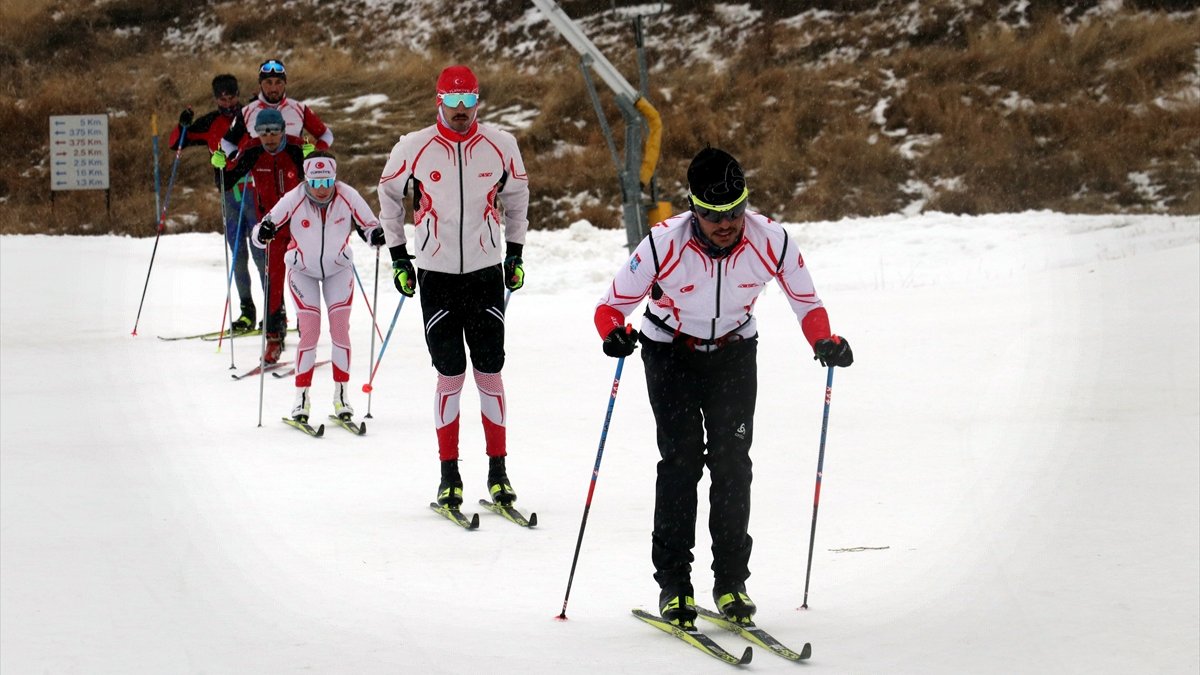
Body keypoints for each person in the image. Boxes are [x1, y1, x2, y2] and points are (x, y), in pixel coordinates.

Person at [594, 147, 854, 629]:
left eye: (736, 210)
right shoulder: (661, 244)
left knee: (733, 463)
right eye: (714, 214)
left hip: (734, 351)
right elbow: (610, 307)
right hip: (669, 349)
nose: (727, 223)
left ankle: (732, 582)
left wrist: (824, 340)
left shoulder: (771, 239)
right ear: (693, 207)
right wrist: (613, 334)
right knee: (682, 459)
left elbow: (806, 300)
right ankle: (674, 586)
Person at [378, 65, 530, 510]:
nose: (461, 111)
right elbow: (389, 197)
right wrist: (399, 256)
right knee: (450, 373)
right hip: (436, 275)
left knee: (489, 371)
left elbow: (518, 198)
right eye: (453, 102)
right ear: (438, 100)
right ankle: (449, 476)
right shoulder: (414, 146)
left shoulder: (501, 145)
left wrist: (516, 253)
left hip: (485, 272)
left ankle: (498, 472)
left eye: (469, 102)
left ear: (478, 101)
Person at [250, 151, 386, 421]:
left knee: (339, 331)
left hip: (338, 270)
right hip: (303, 271)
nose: (323, 189)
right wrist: (263, 232)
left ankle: (342, 396)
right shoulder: (295, 197)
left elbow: (370, 226)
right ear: (307, 179)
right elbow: (260, 232)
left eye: (328, 182)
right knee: (310, 333)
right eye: (316, 182)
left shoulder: (347, 195)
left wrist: (376, 235)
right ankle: (301, 399)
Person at [169, 74, 265, 331]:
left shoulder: (249, 115)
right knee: (238, 255)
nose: (227, 102)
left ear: (238, 94)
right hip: (228, 194)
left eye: (231, 97)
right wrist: (183, 125)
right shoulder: (211, 122)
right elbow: (176, 143)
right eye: (222, 98)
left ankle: (274, 311)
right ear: (216, 99)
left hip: (254, 192)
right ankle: (247, 312)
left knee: (260, 253)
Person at [215, 108, 306, 364]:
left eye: (274, 132)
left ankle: (308, 327)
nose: (269, 138)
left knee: (306, 277)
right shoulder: (253, 150)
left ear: (283, 131)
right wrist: (220, 168)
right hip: (272, 228)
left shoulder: (297, 149)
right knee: (274, 282)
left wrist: (316, 160)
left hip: (301, 226)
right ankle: (274, 338)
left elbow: (324, 179)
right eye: (263, 132)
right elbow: (228, 180)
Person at [220, 58, 333, 157]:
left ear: (285, 83)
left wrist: (316, 154)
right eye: (268, 82)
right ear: (260, 84)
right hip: (260, 178)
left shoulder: (299, 109)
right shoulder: (247, 112)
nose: (273, 88)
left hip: (294, 177)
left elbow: (326, 135)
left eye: (278, 82)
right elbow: (226, 142)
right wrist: (238, 161)